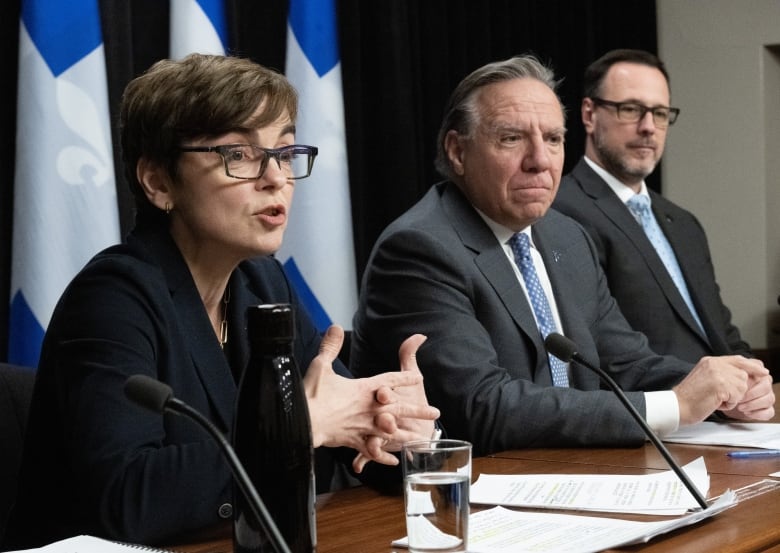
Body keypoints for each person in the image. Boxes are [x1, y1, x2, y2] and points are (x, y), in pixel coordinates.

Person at [3, 54, 439, 549]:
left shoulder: (262, 284)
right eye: (241, 155)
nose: (276, 178)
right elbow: (127, 498)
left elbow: (341, 439)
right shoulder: (111, 299)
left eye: (284, 152)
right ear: (159, 183)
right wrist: (305, 426)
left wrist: (398, 433)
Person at [350, 55, 774, 458]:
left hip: (575, 476)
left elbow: (625, 362)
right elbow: (485, 408)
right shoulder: (420, 249)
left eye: (552, 139)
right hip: (469, 498)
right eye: (512, 138)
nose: (540, 161)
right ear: (458, 152)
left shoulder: (565, 235)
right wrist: (674, 406)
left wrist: (720, 391)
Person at [552, 49, 752, 363]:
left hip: (725, 406)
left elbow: (722, 331)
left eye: (660, 113)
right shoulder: (559, 212)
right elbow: (602, 347)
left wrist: (750, 375)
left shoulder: (684, 223)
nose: (649, 127)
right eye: (631, 109)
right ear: (589, 115)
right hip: (653, 405)